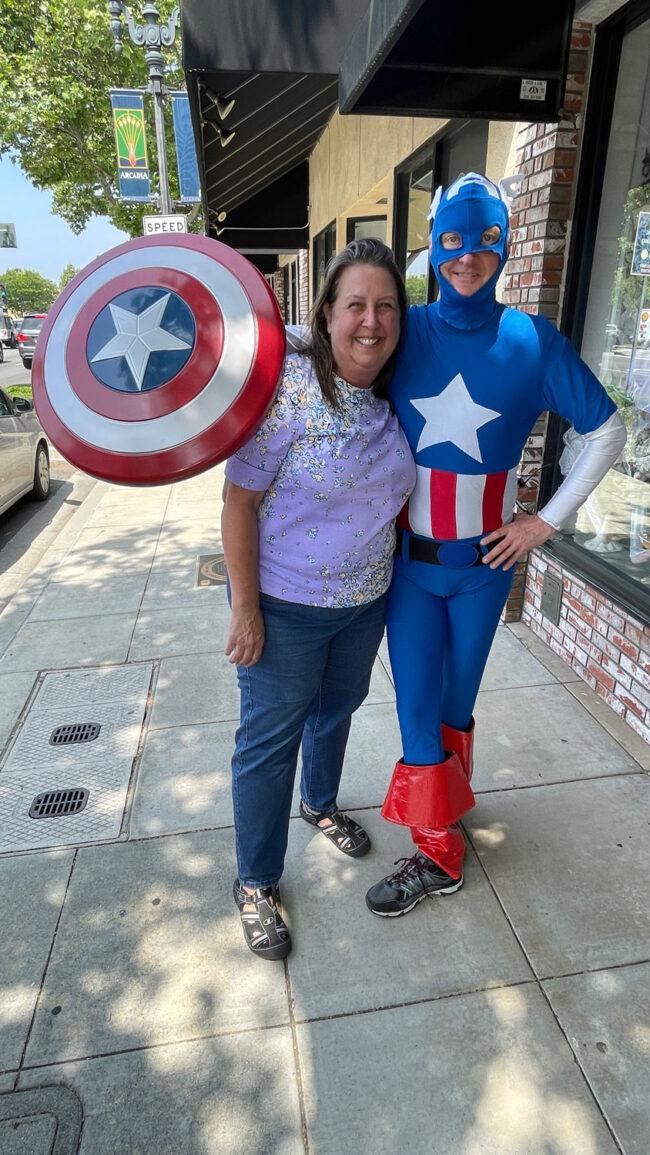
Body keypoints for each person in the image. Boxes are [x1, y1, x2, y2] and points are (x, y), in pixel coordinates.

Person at [365, 172, 627, 918]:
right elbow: (334, 345)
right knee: (418, 706)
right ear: (432, 246)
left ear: (503, 247)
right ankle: (438, 851)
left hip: (484, 571)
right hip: (410, 571)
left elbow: (607, 430)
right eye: (451, 240)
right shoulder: (404, 327)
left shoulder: (533, 341)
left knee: (454, 705)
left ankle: (444, 815)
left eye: (483, 242)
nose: (466, 258)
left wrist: (543, 521)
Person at [222, 238, 416, 959]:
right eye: (356, 305)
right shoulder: (293, 386)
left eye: (386, 305)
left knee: (336, 711)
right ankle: (254, 880)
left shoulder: (398, 388)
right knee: (268, 743)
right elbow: (238, 502)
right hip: (284, 605)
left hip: (366, 601)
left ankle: (321, 803)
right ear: (326, 313)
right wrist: (245, 607)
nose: (372, 321)